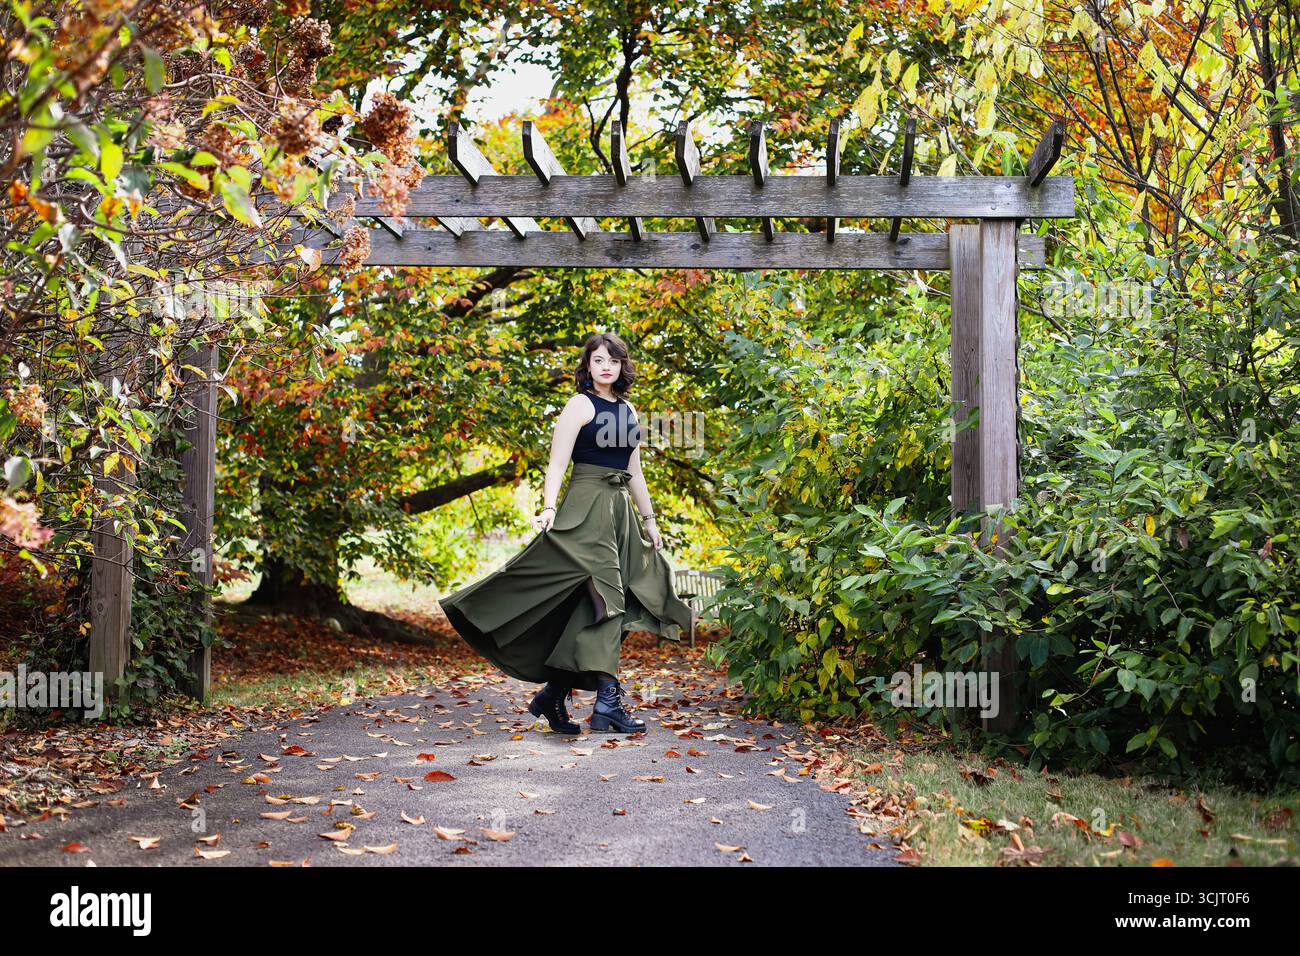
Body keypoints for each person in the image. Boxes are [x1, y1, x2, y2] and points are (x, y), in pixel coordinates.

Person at [438, 332, 694, 735]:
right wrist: (548, 506)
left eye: (612, 360)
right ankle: (608, 703)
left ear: (621, 365)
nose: (605, 366)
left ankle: (553, 694)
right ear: (587, 367)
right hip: (585, 507)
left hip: (619, 513)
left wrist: (649, 520)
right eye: (597, 360)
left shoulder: (629, 410)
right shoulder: (579, 405)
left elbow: (636, 472)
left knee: (594, 603)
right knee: (609, 598)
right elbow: (557, 464)